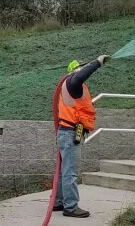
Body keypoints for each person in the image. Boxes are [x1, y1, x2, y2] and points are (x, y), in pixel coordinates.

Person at [53, 55, 109, 218]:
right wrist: (97, 63)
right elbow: (81, 75)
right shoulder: (73, 83)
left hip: (67, 132)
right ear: (73, 71)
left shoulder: (71, 86)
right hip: (70, 133)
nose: (81, 69)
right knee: (70, 171)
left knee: (65, 170)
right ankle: (70, 207)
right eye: (79, 67)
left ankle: (59, 202)